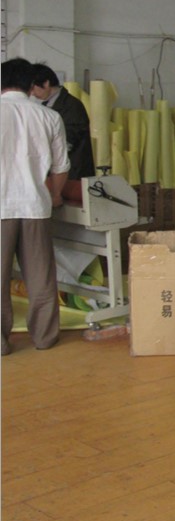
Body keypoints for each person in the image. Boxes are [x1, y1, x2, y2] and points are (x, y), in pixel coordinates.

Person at [1, 58, 70, 355]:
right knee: (41, 278)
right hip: (36, 206)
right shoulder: (49, 117)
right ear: (31, 85)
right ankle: (44, 337)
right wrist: (54, 196)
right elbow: (61, 166)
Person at [30, 63, 95, 180]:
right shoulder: (45, 105)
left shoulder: (72, 105)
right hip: (55, 169)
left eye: (33, 88)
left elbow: (68, 141)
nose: (32, 93)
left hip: (72, 172)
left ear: (46, 83)